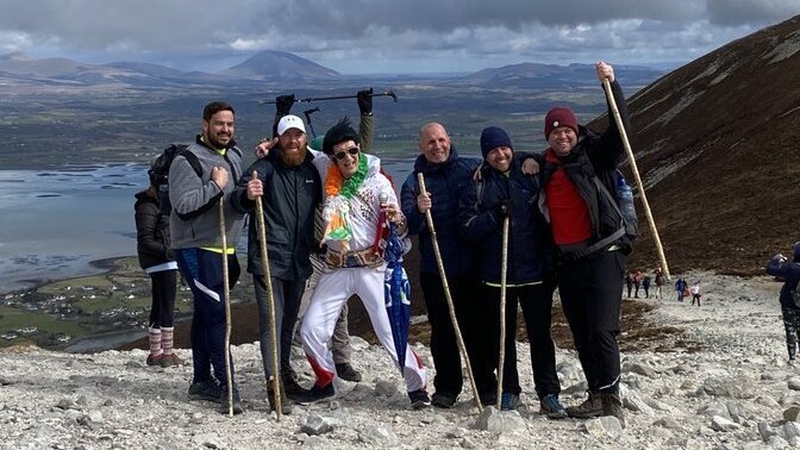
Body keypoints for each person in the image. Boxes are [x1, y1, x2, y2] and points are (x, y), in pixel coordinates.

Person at [296, 118, 429, 408]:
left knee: (390, 331)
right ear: (332, 157)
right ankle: (325, 381)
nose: (348, 158)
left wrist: (397, 218)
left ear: (360, 150)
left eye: (353, 151)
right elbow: (298, 148)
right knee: (311, 329)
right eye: (341, 154)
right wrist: (270, 144)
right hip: (336, 267)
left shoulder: (377, 179)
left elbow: (399, 223)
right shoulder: (324, 172)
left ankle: (417, 387)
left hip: (372, 267)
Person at [253, 91, 375, 390]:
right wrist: (279, 120)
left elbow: (360, 151)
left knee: (340, 309)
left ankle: (341, 360)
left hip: (333, 250)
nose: (342, 160)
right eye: (335, 156)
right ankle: (290, 364)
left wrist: (367, 116)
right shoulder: (313, 172)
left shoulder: (329, 174)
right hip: (312, 251)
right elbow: (283, 150)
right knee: (299, 311)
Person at [536, 62, 631, 425]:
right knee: (580, 331)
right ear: (548, 138)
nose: (562, 136)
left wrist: (612, 86)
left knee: (602, 329)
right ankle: (596, 393)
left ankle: (611, 399)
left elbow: (620, 131)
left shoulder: (597, 156)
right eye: (555, 132)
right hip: (569, 260)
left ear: (576, 131)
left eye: (567, 130)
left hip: (604, 253)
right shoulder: (544, 165)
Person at [458, 126, 567, 418]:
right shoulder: (477, 183)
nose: (500, 154)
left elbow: (554, 162)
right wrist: (495, 216)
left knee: (540, 336)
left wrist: (536, 159)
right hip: (497, 275)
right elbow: (466, 227)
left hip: (534, 272)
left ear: (511, 147)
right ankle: (509, 390)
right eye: (492, 151)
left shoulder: (529, 172)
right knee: (501, 336)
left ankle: (549, 393)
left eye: (504, 148)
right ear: (485, 155)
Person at [169, 101, 258, 415]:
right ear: (205, 124)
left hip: (228, 249)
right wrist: (214, 186)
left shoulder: (233, 154)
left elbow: (233, 200)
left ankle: (200, 381)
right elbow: (183, 205)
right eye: (219, 124)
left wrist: (246, 192)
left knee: (207, 314)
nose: (225, 130)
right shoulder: (187, 160)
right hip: (197, 248)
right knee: (217, 315)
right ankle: (227, 386)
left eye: (230, 125)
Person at [230, 114, 321, 415]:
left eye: (298, 135)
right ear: (278, 139)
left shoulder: (313, 170)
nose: (293, 141)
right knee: (272, 321)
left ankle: (284, 373)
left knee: (287, 323)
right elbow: (236, 200)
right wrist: (246, 194)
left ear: (305, 138)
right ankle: (274, 384)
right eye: (287, 136)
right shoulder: (263, 168)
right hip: (269, 258)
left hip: (299, 259)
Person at [400, 122, 487, 408]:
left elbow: (503, 162)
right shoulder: (413, 183)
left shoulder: (471, 168)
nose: (437, 147)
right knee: (443, 331)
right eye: (431, 143)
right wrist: (418, 211)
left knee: (477, 328)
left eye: (441, 140)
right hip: (436, 270)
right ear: (421, 147)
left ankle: (486, 385)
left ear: (449, 139)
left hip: (473, 267)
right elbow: (407, 226)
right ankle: (447, 388)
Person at [134, 182, 182, 367]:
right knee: (167, 306)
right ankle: (166, 354)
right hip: (162, 261)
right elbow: (145, 239)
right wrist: (171, 252)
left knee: (159, 305)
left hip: (160, 261)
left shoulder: (154, 204)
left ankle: (156, 353)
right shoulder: (149, 206)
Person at [766, 243, 800, 366]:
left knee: (790, 330)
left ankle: (792, 358)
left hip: (789, 304)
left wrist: (776, 260)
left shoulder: (791, 268)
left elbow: (770, 270)